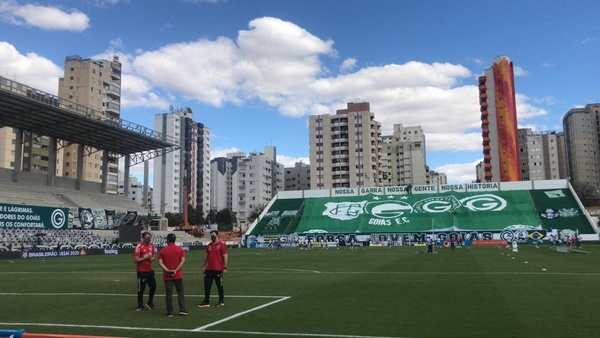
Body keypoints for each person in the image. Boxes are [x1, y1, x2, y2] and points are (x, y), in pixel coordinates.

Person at [158, 233, 187, 317]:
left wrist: (167, 270)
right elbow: (182, 261)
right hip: (178, 274)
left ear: (167, 240)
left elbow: (160, 263)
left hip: (167, 275)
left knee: (169, 293)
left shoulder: (163, 250)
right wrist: (175, 270)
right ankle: (182, 309)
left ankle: (169, 311)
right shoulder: (180, 250)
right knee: (180, 292)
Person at [198, 230, 228, 308]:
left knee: (219, 285)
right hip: (209, 269)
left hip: (218, 269)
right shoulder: (209, 245)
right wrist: (204, 266)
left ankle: (221, 300)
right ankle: (206, 301)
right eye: (211, 235)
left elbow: (225, 256)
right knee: (207, 285)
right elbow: (206, 256)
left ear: (217, 235)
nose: (212, 237)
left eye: (214, 235)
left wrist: (225, 267)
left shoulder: (222, 245)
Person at [134, 231, 156, 312]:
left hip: (150, 270)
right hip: (142, 271)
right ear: (143, 238)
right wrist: (145, 258)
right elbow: (135, 260)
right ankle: (140, 305)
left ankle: (150, 302)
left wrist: (152, 258)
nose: (149, 239)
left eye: (149, 237)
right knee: (141, 289)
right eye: (147, 238)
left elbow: (153, 256)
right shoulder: (139, 246)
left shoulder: (151, 246)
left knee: (153, 286)